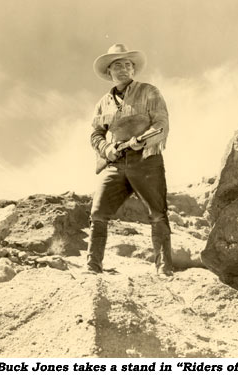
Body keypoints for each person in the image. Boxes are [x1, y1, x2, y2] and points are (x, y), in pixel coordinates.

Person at [87, 43, 173, 277]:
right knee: (97, 213)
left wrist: (141, 140)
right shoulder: (102, 103)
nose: (124, 69)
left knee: (157, 212)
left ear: (134, 70)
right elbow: (95, 133)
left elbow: (162, 124)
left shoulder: (150, 91)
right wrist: (106, 149)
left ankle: (164, 267)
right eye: (117, 65)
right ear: (109, 73)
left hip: (146, 160)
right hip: (115, 163)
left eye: (128, 65)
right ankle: (92, 266)